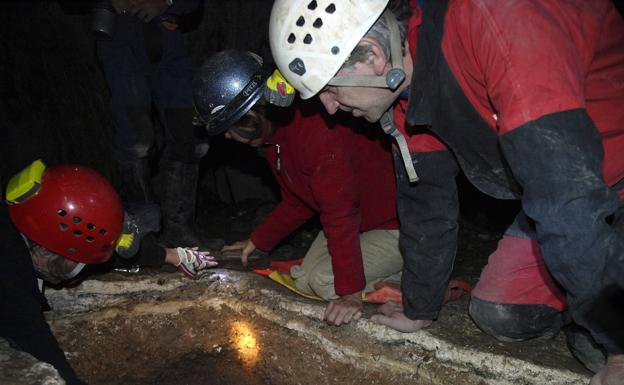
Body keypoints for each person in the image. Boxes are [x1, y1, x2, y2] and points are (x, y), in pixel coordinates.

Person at [267, 0, 624, 383]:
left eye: (331, 89)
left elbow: (564, 199)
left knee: (587, 272)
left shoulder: (499, 23)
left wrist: (620, 349)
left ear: (372, 56)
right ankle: (592, 295)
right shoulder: (409, 91)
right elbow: (427, 204)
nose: (331, 108)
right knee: (501, 312)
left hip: (596, 173)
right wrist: (421, 307)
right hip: (562, 186)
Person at [193, 50, 403, 326]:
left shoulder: (315, 132)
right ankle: (379, 273)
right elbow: (299, 201)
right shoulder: (276, 139)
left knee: (326, 282)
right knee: (304, 279)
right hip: (362, 222)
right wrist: (257, 241)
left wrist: (350, 293)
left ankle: (413, 277)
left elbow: (340, 214)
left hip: (396, 225)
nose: (229, 137)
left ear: (257, 111)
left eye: (233, 126)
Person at [0, 160, 216, 385]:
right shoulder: (9, 281)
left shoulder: (35, 216)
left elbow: (101, 245)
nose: (82, 269)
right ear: (48, 254)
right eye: (75, 263)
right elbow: (36, 341)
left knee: (150, 213)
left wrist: (173, 256)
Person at [95, 0, 208, 246]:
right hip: (120, 37)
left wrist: (165, 2)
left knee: (189, 133)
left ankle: (179, 230)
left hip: (168, 38)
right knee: (135, 139)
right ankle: (141, 233)